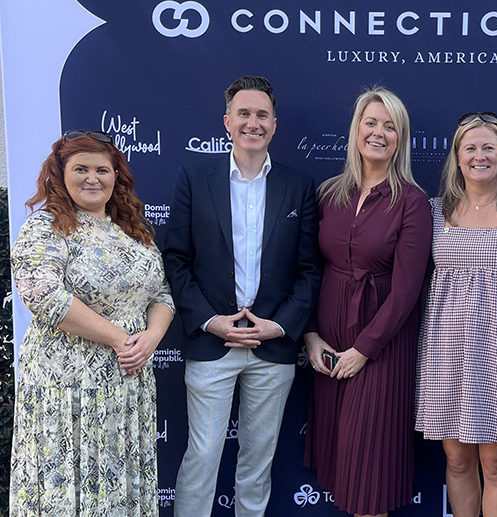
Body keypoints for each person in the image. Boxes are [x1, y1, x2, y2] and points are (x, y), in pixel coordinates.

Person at [163, 75, 321, 517]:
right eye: (245, 114)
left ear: (275, 123)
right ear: (227, 122)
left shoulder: (298, 186)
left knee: (258, 462)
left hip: (273, 348)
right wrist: (211, 320)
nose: (254, 122)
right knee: (203, 455)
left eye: (262, 115)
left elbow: (310, 269)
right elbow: (175, 259)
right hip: (212, 343)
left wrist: (280, 325)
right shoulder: (195, 178)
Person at [9, 130, 174, 516]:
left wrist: (149, 338)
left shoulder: (133, 231)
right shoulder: (45, 227)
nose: (92, 178)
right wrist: (122, 339)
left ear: (117, 176)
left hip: (126, 385)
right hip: (67, 389)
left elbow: (162, 293)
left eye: (102, 169)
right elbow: (42, 293)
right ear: (60, 174)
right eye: (80, 169)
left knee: (121, 486)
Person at [303, 87, 432, 517]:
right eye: (370, 122)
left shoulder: (412, 202)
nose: (379, 133)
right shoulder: (328, 194)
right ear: (356, 129)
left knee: (370, 472)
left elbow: (407, 290)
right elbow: (310, 270)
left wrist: (364, 350)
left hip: (381, 346)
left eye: (389, 126)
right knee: (343, 467)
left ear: (401, 138)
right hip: (329, 339)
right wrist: (311, 335)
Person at [416, 112, 497, 517]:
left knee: (496, 465)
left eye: (489, 147)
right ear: (457, 157)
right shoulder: (432, 212)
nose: (479, 156)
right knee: (456, 462)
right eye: (470, 148)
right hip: (445, 356)